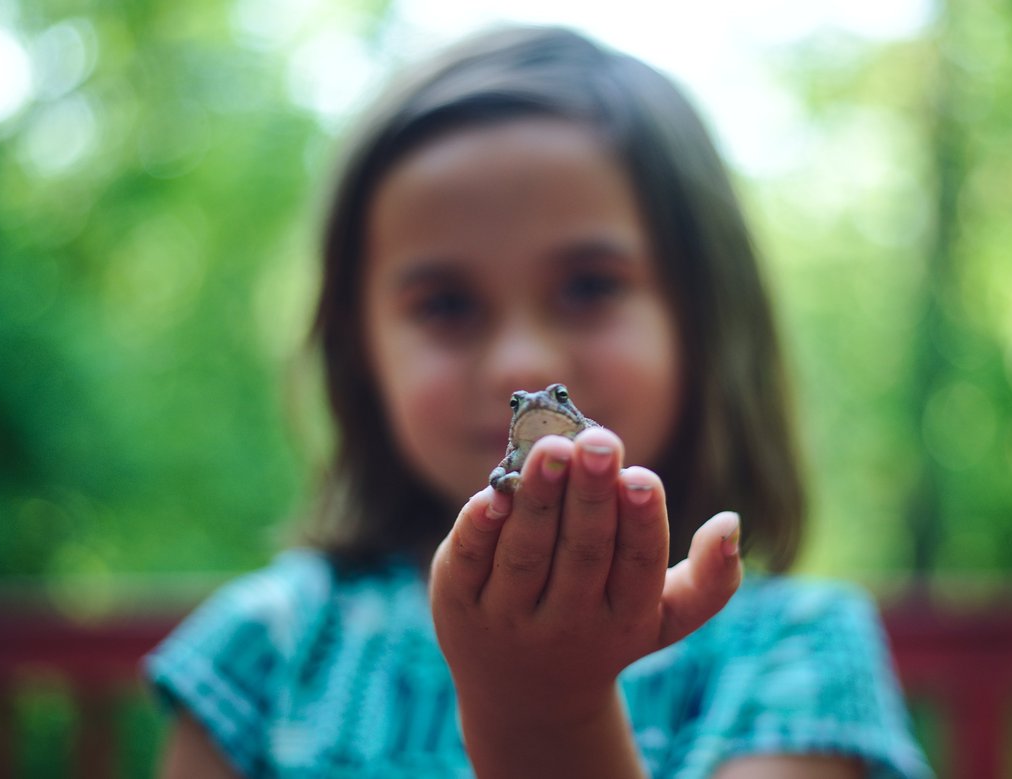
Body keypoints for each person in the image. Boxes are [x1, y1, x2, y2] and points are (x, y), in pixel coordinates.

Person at [146, 25, 932, 779]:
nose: (520, 362)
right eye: (446, 304)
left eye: (590, 287)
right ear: (361, 353)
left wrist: (545, 715)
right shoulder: (264, 650)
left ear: (704, 317)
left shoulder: (796, 652)